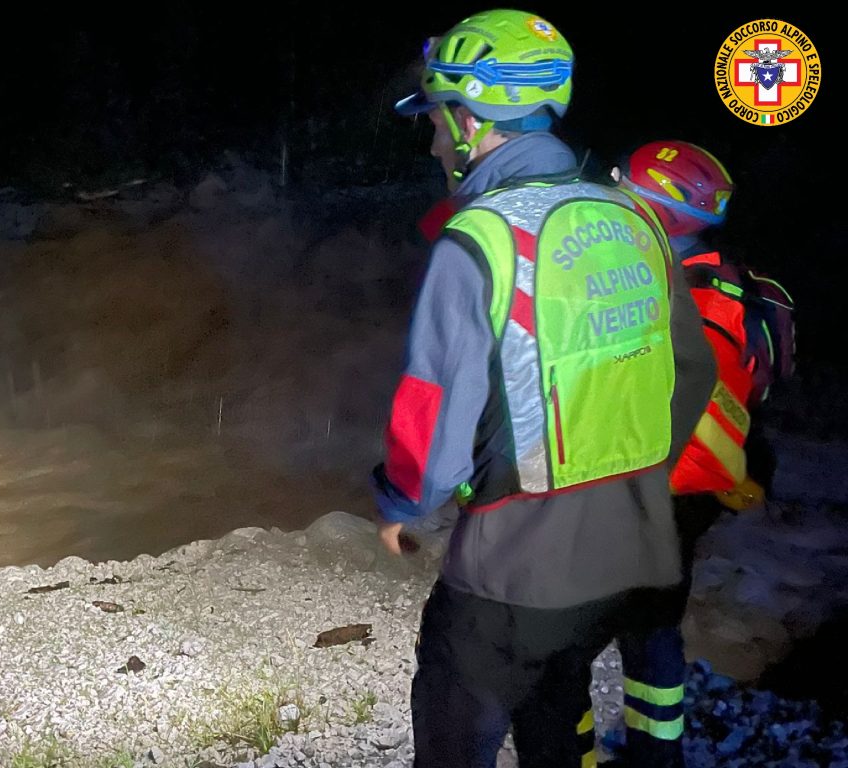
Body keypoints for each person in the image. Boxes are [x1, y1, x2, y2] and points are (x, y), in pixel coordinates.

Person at [371, 10, 717, 768]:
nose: (432, 141)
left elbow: (431, 424)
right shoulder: (636, 219)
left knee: (456, 731)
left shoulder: (482, 236)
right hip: (631, 555)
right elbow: (692, 373)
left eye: (437, 120)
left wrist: (402, 505)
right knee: (557, 717)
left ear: (471, 118)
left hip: (512, 573)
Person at [605, 140, 796, 767]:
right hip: (698, 487)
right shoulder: (725, 280)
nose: (616, 203)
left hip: (662, 485)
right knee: (652, 626)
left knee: (575, 636)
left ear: (664, 214)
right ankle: (656, 752)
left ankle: (605, 753)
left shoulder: (681, 297)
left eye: (628, 194)